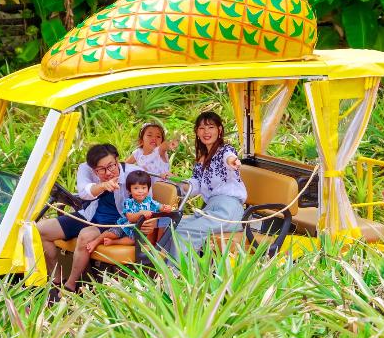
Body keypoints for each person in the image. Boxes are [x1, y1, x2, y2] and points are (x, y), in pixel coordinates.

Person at [36, 144, 142, 292]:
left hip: (116, 222)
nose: (108, 172)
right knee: (41, 230)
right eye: (101, 170)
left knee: (85, 236)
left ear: (117, 160)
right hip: (89, 214)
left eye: (111, 166)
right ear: (94, 169)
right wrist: (103, 185)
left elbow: (147, 205)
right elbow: (85, 193)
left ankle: (70, 286)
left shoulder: (134, 174)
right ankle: (57, 279)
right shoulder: (85, 169)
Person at [151, 111, 247, 257]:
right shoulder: (202, 159)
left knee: (184, 232)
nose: (206, 132)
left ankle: (179, 277)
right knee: (172, 225)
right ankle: (170, 271)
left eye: (211, 127)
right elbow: (193, 185)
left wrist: (233, 161)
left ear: (219, 130)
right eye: (202, 128)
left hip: (228, 210)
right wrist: (173, 179)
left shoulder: (225, 151)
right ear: (197, 132)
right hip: (211, 209)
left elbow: (230, 157)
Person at [84, 170, 174, 257]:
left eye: (144, 188)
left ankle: (113, 242)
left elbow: (160, 206)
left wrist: (166, 208)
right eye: (136, 188)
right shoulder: (129, 202)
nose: (140, 191)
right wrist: (141, 213)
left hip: (137, 230)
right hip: (125, 226)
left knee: (132, 241)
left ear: (148, 189)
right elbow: (130, 218)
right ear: (129, 190)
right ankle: (96, 241)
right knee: (111, 233)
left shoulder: (150, 202)